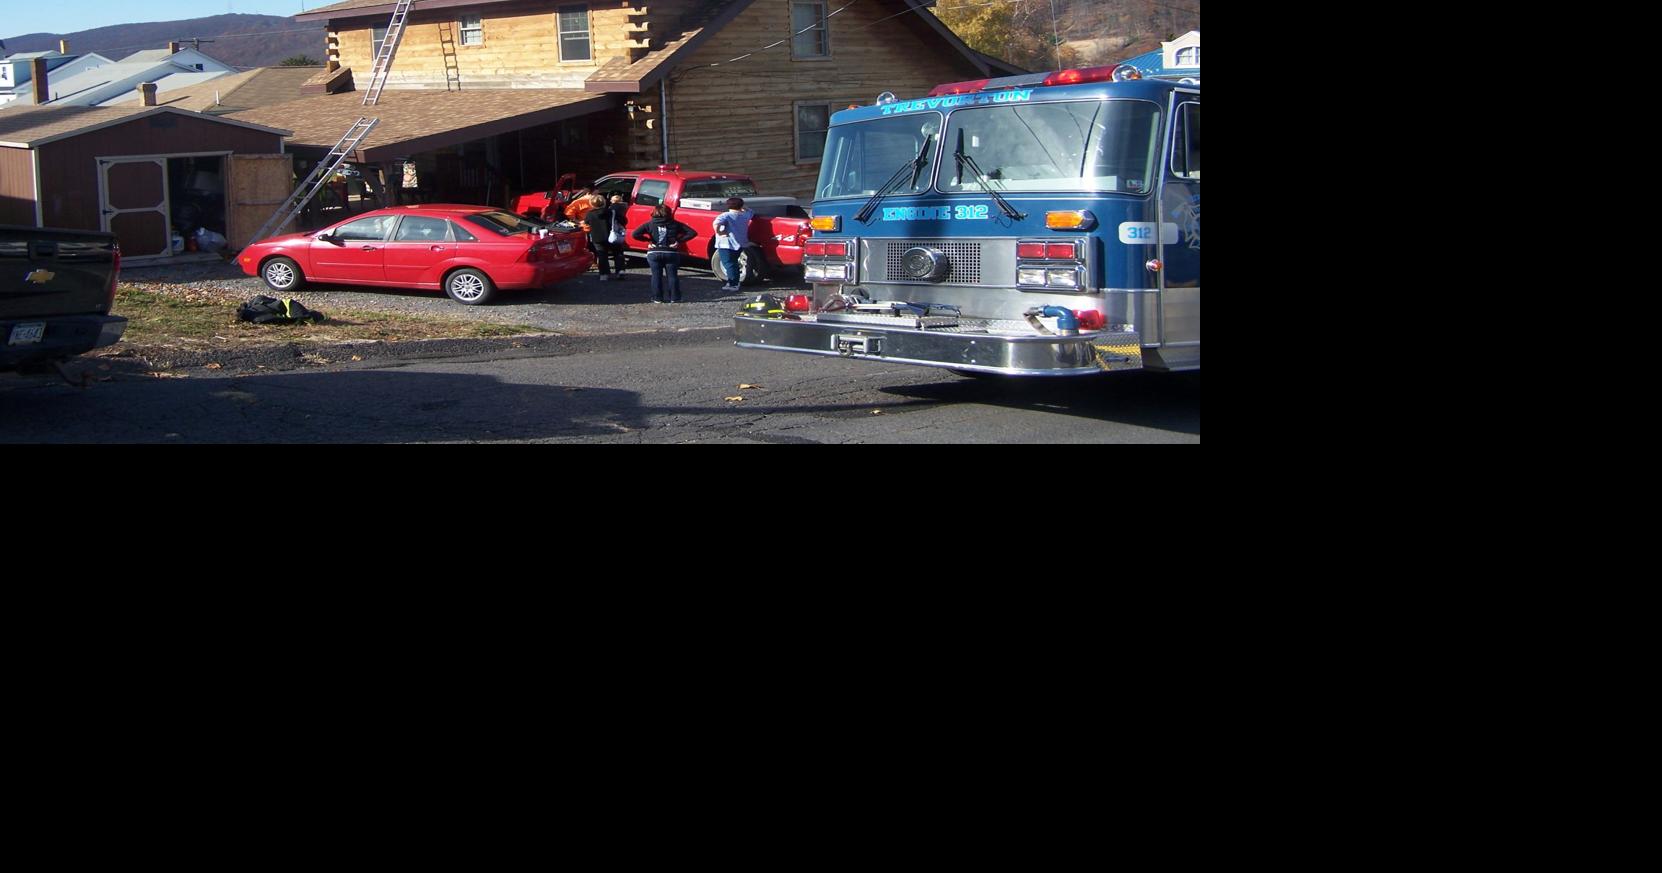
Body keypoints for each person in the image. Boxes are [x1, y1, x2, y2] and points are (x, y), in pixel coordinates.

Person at [631, 204, 697, 303]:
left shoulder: (649, 224)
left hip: (654, 251)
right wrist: (678, 241)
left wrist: (648, 240)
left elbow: (635, 234)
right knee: (672, 276)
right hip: (670, 252)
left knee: (656, 276)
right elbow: (692, 233)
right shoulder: (675, 223)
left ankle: (657, 298)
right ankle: (675, 297)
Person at [711, 197, 755, 292]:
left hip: (726, 243)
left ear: (728, 206)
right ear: (741, 206)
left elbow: (716, 223)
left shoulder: (726, 215)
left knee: (729, 264)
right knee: (734, 263)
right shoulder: (745, 215)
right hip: (740, 243)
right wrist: (744, 207)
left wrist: (719, 232)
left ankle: (733, 284)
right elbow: (751, 211)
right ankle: (733, 282)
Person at [581, 194, 622, 281]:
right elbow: (623, 220)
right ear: (604, 202)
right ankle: (620, 271)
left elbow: (586, 223)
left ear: (592, 204)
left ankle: (604, 274)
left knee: (602, 255)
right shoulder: (611, 211)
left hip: (597, 237)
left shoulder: (590, 214)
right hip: (612, 236)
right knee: (617, 253)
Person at [606, 193, 631, 278]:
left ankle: (605, 273)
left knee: (606, 252)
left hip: (612, 231)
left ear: (613, 201)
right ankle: (621, 270)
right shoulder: (625, 207)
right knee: (619, 252)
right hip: (621, 230)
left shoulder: (612, 208)